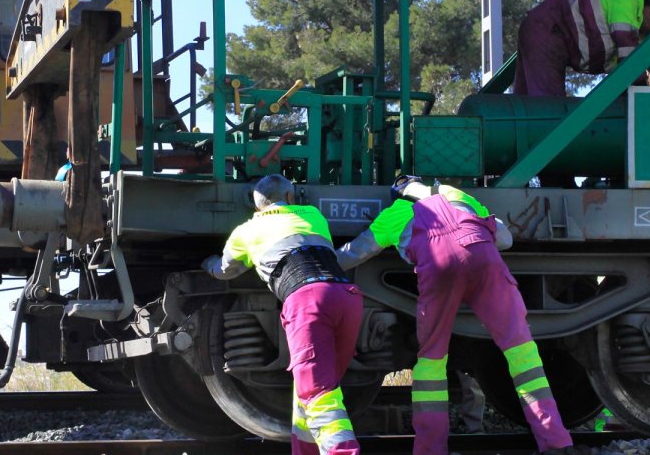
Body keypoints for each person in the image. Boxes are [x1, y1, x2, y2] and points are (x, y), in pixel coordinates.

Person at [335, 177, 580, 455]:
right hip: (485, 260)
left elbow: (355, 253)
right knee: (522, 353)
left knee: (432, 361)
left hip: (438, 271)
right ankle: (556, 442)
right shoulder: (457, 196)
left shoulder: (395, 213)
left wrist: (319, 262)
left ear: (399, 195)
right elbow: (505, 239)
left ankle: (430, 449)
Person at [202, 174, 362, 455]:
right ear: (290, 197)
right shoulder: (314, 215)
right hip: (347, 296)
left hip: (307, 302)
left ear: (256, 205)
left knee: (318, 392)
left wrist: (209, 264)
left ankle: (342, 451)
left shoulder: (246, 231)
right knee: (316, 389)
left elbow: (225, 270)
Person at [513, 0, 650, 97]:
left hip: (548, 32)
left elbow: (617, 68)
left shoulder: (635, 33)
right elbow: (625, 43)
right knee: (546, 105)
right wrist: (640, 86)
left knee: (525, 98)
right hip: (548, 28)